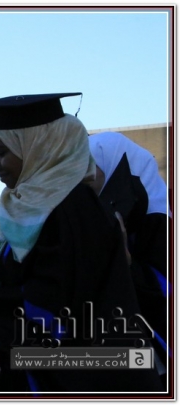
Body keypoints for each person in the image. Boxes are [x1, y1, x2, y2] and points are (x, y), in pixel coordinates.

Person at [0, 93, 163, 392]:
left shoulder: (73, 208)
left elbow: (63, 304)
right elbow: (33, 284)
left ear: (37, 148)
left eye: (1, 152)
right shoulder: (39, 208)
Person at [88, 131, 170, 381]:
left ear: (115, 169)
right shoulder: (94, 217)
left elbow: (165, 292)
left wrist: (126, 262)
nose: (84, 176)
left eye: (91, 168)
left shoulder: (159, 224)